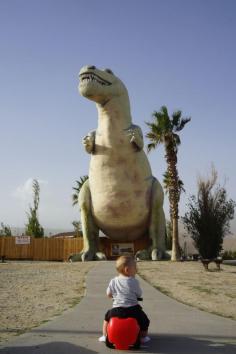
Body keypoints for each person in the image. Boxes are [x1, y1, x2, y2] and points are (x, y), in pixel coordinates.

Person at [99, 255, 150, 343]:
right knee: (145, 320)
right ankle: (143, 337)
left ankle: (104, 335)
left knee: (107, 317)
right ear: (127, 270)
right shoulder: (134, 281)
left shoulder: (113, 281)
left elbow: (109, 294)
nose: (136, 270)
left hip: (116, 310)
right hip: (133, 310)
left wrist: (113, 296)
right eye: (135, 268)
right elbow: (139, 294)